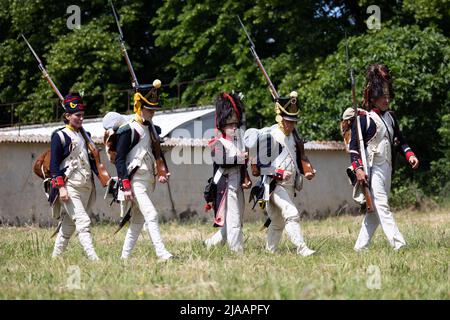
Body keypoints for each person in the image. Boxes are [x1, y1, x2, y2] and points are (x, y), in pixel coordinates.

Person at [349, 64, 419, 251]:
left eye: (388, 96)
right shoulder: (363, 118)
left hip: (387, 167)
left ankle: (360, 247)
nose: (387, 99)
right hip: (372, 168)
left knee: (375, 212)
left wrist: (410, 155)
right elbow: (353, 148)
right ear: (374, 98)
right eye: (383, 96)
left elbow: (400, 140)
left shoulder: (391, 118)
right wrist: (358, 168)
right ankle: (399, 244)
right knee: (382, 205)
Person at [246, 91, 316, 257]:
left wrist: (307, 172)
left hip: (290, 186)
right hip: (273, 184)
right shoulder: (269, 136)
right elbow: (258, 165)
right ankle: (302, 248)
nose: (290, 125)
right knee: (291, 213)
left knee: (277, 222)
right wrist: (278, 172)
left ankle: (270, 252)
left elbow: (299, 159)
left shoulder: (294, 138)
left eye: (293, 122)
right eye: (288, 121)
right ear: (280, 118)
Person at [114, 80, 173, 261]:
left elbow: (156, 153)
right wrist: (125, 184)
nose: (152, 113)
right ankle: (161, 253)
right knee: (151, 214)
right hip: (134, 181)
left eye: (154, 110)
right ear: (139, 106)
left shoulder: (152, 129)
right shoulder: (128, 129)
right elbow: (120, 158)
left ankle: (124, 258)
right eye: (149, 109)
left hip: (148, 180)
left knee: (138, 222)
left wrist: (162, 172)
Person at [50, 92, 100, 261]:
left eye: (82, 116)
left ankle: (55, 259)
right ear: (67, 115)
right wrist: (61, 187)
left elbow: (93, 162)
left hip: (86, 186)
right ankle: (94, 259)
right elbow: (54, 166)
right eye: (77, 115)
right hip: (69, 186)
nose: (81, 119)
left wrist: (105, 179)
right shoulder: (60, 135)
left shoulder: (86, 136)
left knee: (68, 226)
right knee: (83, 221)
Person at [204, 92, 252, 253]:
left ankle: (210, 244)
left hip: (237, 184)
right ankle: (237, 251)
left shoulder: (239, 142)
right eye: (231, 124)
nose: (234, 127)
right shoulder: (217, 143)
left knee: (236, 219)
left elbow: (242, 164)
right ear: (223, 125)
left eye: (235, 124)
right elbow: (222, 161)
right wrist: (240, 158)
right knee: (234, 220)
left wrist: (246, 177)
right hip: (226, 187)